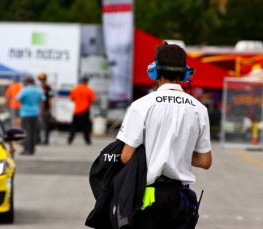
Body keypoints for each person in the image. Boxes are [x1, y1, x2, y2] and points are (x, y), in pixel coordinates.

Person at [117, 42, 212, 229]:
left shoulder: (141, 105)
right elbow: (205, 161)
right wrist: (178, 150)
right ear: (185, 74)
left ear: (154, 71)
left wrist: (156, 149)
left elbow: (126, 156)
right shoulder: (199, 109)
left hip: (147, 196)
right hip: (180, 199)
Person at [16, 75, 45, 155]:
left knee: (26, 132)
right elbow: (42, 101)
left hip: (26, 113)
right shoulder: (38, 90)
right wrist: (41, 112)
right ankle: (32, 149)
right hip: (35, 113)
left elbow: (18, 98)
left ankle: (27, 149)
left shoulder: (24, 90)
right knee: (33, 132)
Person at [67, 76, 96, 145]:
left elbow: (71, 98)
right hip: (85, 110)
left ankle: (70, 140)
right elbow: (92, 100)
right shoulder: (89, 90)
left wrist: (78, 101)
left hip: (76, 111)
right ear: (87, 82)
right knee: (86, 127)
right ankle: (87, 141)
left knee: (73, 126)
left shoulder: (75, 89)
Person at [37, 73, 55, 145]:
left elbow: (50, 99)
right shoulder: (38, 88)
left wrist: (50, 109)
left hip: (46, 108)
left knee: (46, 125)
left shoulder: (48, 88)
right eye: (41, 79)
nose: (42, 81)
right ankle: (38, 139)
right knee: (38, 125)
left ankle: (46, 140)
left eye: (43, 79)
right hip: (37, 108)